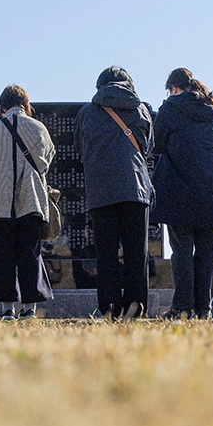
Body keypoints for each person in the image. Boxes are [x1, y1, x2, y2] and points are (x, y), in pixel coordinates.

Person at [151, 68, 213, 320]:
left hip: (179, 189)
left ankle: (182, 307)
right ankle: (204, 309)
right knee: (208, 253)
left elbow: (156, 144)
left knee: (181, 251)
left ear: (173, 88)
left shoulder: (170, 108)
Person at [74, 66, 154, 320]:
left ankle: (109, 307)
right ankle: (135, 309)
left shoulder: (87, 112)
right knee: (136, 254)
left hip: (101, 190)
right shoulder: (141, 110)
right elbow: (148, 147)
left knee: (106, 254)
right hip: (135, 189)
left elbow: (79, 147)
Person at [0, 85, 56, 320]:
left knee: (2, 257)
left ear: (2, 107)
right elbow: (47, 159)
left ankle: (7, 308)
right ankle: (30, 308)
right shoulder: (38, 128)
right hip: (30, 201)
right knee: (30, 255)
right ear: (26, 105)